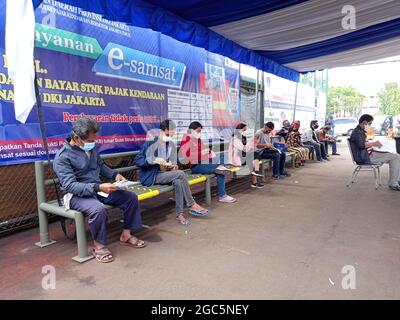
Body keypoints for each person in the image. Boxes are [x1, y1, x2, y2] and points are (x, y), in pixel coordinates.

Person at [53, 117, 145, 263]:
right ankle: (99, 245)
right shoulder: (63, 157)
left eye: (94, 139)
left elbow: (101, 166)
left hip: (97, 189)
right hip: (76, 195)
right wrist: (97, 186)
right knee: (98, 209)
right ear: (76, 138)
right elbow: (70, 185)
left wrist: (115, 175)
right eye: (90, 140)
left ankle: (126, 234)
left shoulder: (91, 149)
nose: (93, 143)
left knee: (130, 197)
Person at [135, 119, 209, 225]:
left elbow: (171, 164)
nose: (172, 135)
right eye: (171, 132)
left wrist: (173, 166)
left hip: (164, 174)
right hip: (152, 176)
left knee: (178, 182)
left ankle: (179, 215)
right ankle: (191, 204)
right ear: (164, 130)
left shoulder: (170, 145)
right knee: (181, 174)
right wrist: (152, 160)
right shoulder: (151, 143)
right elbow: (138, 160)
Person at [180, 121, 236, 203]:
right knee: (221, 171)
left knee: (222, 156)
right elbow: (187, 157)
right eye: (198, 131)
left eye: (200, 132)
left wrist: (208, 152)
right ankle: (222, 195)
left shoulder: (198, 139)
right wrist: (201, 153)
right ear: (192, 130)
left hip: (205, 162)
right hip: (196, 165)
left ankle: (221, 167)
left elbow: (204, 150)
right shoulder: (186, 140)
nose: (199, 133)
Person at [349, 114, 400, 191]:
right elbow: (362, 145)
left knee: (394, 155)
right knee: (395, 157)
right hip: (364, 157)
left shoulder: (359, 130)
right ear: (364, 122)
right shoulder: (357, 132)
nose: (370, 126)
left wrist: (372, 143)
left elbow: (362, 144)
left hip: (365, 154)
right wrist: (374, 143)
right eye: (369, 124)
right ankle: (393, 183)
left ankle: (394, 181)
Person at [228, 122, 265, 188]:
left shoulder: (243, 138)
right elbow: (243, 149)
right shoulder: (235, 139)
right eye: (244, 130)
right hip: (237, 159)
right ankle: (255, 181)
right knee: (254, 160)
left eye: (246, 130)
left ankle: (255, 179)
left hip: (243, 156)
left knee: (255, 156)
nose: (245, 131)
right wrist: (251, 142)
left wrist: (253, 142)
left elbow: (246, 149)